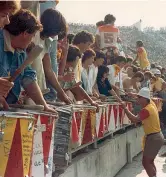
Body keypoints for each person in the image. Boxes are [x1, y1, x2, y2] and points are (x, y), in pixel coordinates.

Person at [1, 9, 54, 112]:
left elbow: (28, 77)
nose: (32, 40)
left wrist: (44, 106)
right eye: (33, 36)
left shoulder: (21, 51)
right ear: (25, 33)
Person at [30, 9, 71, 104]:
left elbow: (49, 71)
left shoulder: (46, 42)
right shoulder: (33, 37)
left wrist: (62, 94)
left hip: (39, 90)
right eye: (58, 31)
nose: (57, 35)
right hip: (28, 89)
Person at [121, 87, 164, 177]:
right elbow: (143, 96)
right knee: (149, 162)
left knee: (146, 163)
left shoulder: (147, 110)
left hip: (154, 138)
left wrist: (125, 108)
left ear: (145, 98)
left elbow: (134, 119)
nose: (137, 100)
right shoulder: (151, 103)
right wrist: (133, 95)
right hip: (155, 137)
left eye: (139, 98)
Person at [61, 45, 99, 109]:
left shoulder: (69, 69)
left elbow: (77, 87)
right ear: (76, 59)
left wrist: (91, 101)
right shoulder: (60, 68)